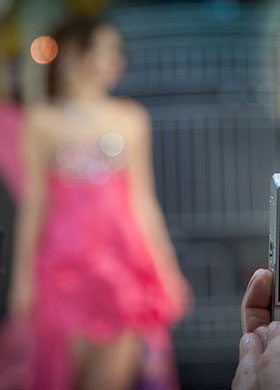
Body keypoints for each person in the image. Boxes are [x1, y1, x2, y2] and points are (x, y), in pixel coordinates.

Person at [7, 19, 192, 390]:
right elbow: (34, 206)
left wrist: (167, 269)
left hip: (122, 263)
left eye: (116, 52)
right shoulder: (43, 122)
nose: (114, 60)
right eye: (105, 49)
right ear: (76, 54)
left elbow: (143, 200)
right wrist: (22, 279)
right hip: (63, 264)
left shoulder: (132, 118)